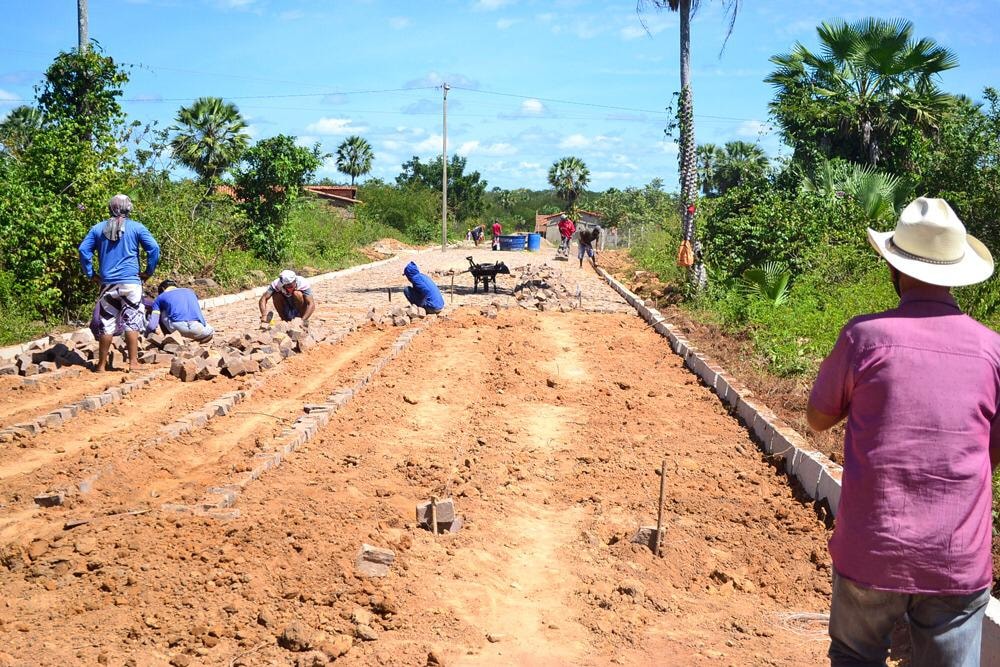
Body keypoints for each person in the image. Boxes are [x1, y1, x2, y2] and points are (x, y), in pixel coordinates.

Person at [806, 197, 998, 667]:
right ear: (956, 274)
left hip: (873, 547)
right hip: (956, 558)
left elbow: (817, 418)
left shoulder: (864, 337)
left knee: (854, 654)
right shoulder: (993, 350)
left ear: (894, 268)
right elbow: (989, 453)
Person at [79, 194, 160, 372]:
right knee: (132, 319)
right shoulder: (137, 227)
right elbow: (154, 248)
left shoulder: (98, 229)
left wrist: (91, 274)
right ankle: (133, 363)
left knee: (107, 321)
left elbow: (83, 250)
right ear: (128, 208)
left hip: (107, 283)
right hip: (131, 282)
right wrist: (148, 272)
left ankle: (101, 365)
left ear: (110, 208)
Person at [146, 280, 214, 342]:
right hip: (199, 329)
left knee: (161, 310)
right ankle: (200, 338)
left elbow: (152, 325)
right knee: (211, 330)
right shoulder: (190, 292)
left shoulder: (160, 297)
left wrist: (147, 335)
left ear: (163, 289)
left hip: (177, 328)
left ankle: (169, 339)